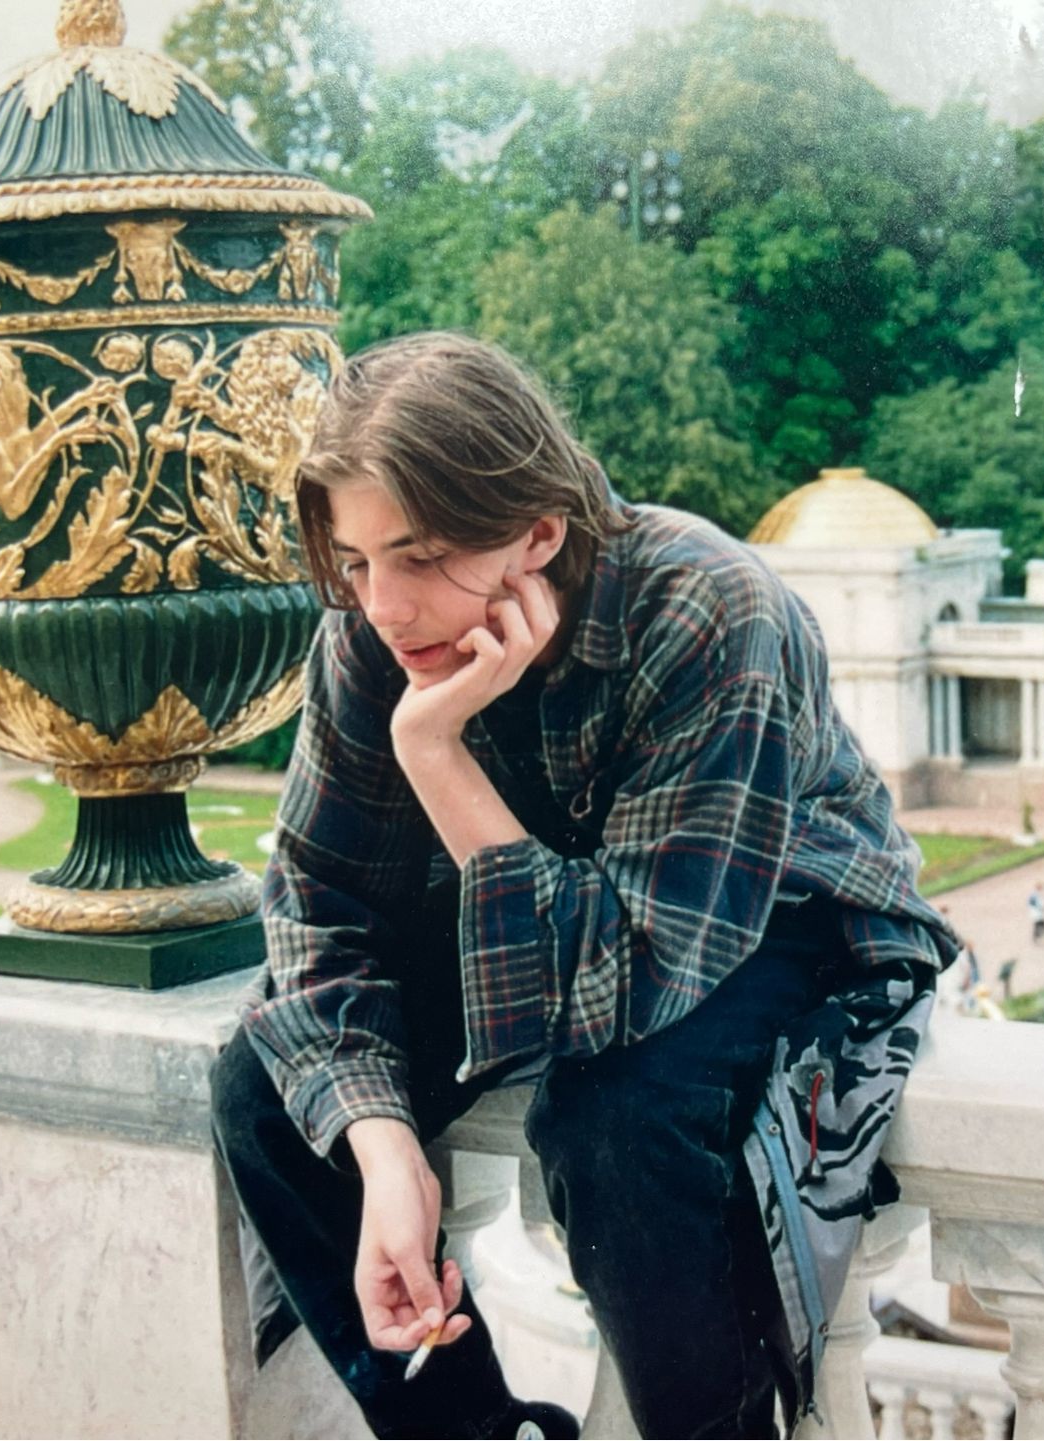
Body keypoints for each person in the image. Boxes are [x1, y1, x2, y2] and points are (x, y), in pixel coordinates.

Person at [210, 333, 953, 1441]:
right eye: (356, 562)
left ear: (542, 533)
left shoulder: (709, 608)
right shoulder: (371, 630)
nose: (385, 606)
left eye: (419, 556)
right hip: (556, 905)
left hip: (779, 914)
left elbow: (623, 984)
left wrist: (434, 754)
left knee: (615, 1122)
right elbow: (316, 903)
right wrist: (382, 1141)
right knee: (267, 1091)